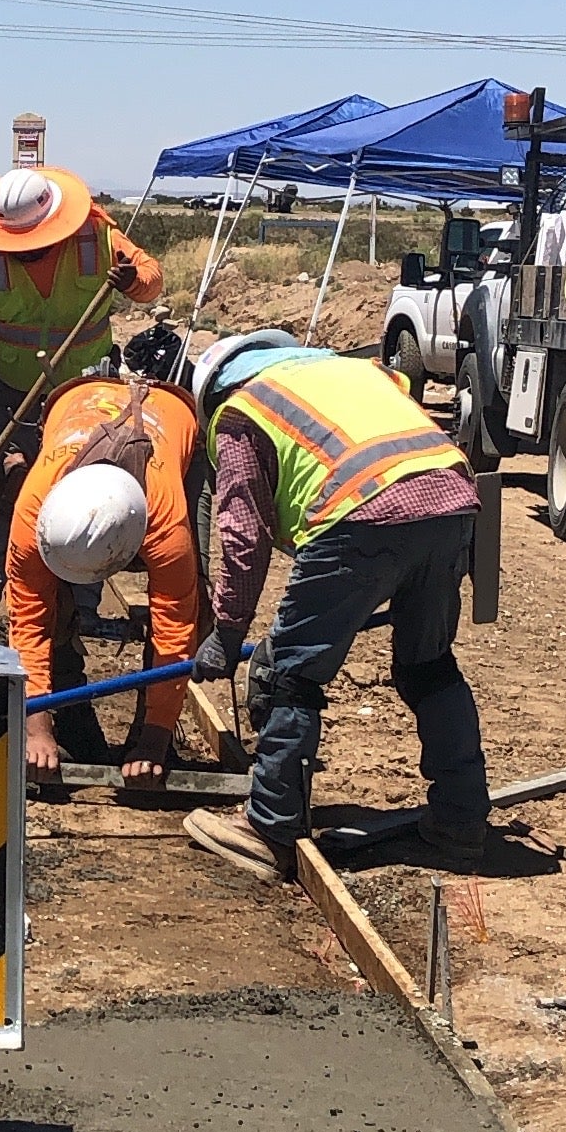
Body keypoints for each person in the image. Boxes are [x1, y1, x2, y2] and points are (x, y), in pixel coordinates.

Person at [184, 335, 486, 886]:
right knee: (430, 666)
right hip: (453, 501)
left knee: (292, 679)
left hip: (357, 515)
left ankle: (269, 826)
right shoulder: (362, 374)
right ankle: (461, 821)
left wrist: (227, 633)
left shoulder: (241, 412)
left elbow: (242, 538)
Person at [0, 165, 164, 605]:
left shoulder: (99, 240)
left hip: (87, 391)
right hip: (13, 388)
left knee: (90, 482)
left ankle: (81, 594)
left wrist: (133, 281)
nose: (23, 253)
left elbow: (152, 281)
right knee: (3, 479)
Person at [6, 370, 204, 807]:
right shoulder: (34, 514)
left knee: (197, 605)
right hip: (77, 400)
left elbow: (175, 627)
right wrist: (34, 724)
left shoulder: (164, 522)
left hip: (174, 417)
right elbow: (27, 621)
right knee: (48, 608)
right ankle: (69, 716)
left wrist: (154, 740)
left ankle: (151, 733)